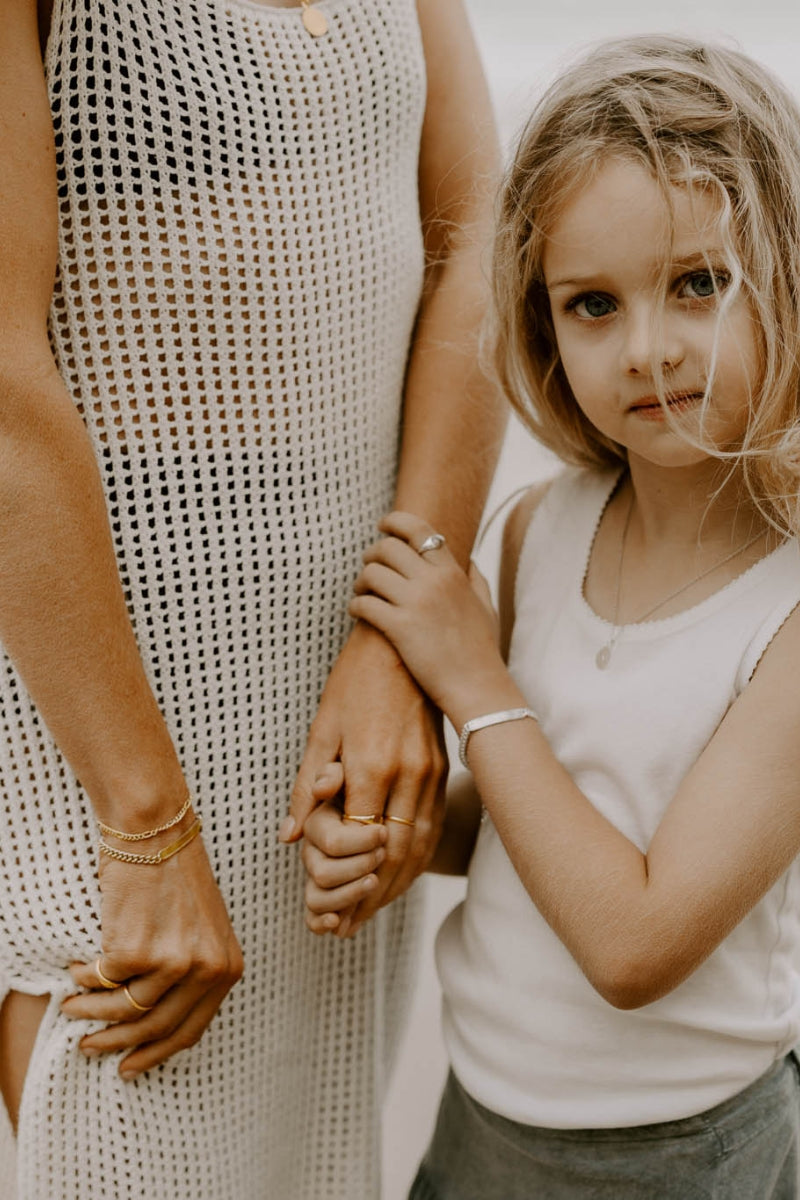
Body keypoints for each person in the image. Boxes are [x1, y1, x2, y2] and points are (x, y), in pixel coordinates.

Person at [0, 0, 502, 1196]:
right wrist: (147, 823)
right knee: (127, 1132)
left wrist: (392, 648)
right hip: (97, 705)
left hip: (337, 676)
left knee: (311, 1151)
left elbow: (480, 234)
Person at [300, 35, 800, 1197]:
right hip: (480, 1116)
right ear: (540, 327)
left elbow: (633, 945)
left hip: (679, 1155)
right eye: (589, 304)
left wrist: (474, 686)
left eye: (696, 283)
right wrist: (410, 837)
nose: (646, 350)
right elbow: (537, 823)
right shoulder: (540, 528)